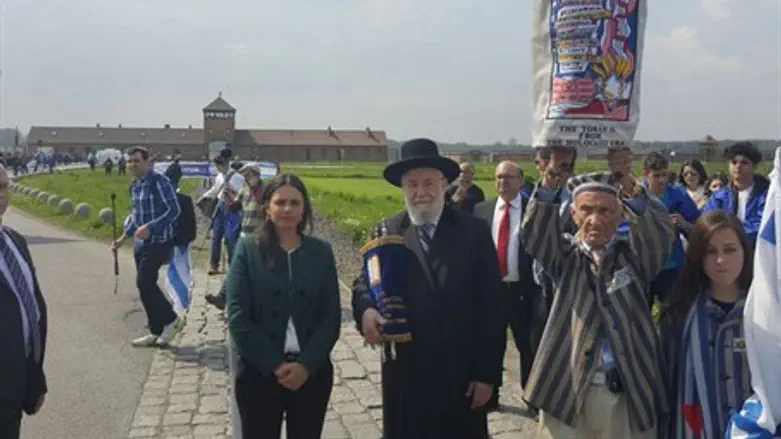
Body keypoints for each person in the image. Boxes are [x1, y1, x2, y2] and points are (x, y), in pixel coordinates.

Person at [351, 138, 504, 439]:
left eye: (429, 183)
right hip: (405, 373)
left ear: (445, 183)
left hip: (459, 372)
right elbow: (364, 283)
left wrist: (487, 376)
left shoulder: (472, 232)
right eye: (412, 185)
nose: (421, 192)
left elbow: (493, 307)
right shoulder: (388, 230)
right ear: (402, 188)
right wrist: (366, 311)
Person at [524, 152, 675, 439]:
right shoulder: (564, 257)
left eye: (606, 211)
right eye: (587, 210)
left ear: (621, 215)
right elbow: (535, 234)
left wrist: (630, 184)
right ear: (573, 214)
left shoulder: (632, 257)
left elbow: (660, 237)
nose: (595, 220)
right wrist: (552, 176)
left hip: (626, 387)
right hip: (569, 388)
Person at [226, 174, 341, 439]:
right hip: (259, 373)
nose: (287, 209)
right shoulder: (247, 250)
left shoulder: (321, 252)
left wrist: (306, 365)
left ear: (304, 209)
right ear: (268, 207)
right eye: (280, 202)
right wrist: (274, 365)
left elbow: (330, 317)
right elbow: (238, 316)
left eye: (294, 203)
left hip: (311, 374)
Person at [660, 211, 753, 439]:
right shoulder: (679, 315)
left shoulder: (765, 312)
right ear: (697, 257)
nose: (721, 260)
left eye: (730, 249)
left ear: (744, 251)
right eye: (710, 252)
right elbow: (666, 385)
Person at [473, 160, 541, 412]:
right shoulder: (481, 210)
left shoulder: (532, 211)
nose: (503, 182)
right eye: (499, 177)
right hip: (491, 291)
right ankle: (490, 395)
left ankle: (532, 397)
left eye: (509, 177)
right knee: (491, 343)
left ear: (521, 182)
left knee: (528, 345)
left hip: (522, 291)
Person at [112, 146, 185, 347]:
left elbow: (174, 210)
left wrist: (151, 227)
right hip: (140, 242)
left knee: (145, 281)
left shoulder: (159, 181)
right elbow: (136, 217)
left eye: (136, 161)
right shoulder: (136, 185)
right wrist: (122, 239)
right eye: (129, 161)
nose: (132, 165)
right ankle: (155, 330)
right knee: (143, 286)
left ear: (146, 162)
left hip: (159, 240)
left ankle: (172, 319)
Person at [0, 165, 48, 439]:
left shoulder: (15, 242)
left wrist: (34, 376)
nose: (1, 194)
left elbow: (31, 313)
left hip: (16, 381)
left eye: (4, 186)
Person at [643, 152, 700, 305]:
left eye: (664, 175)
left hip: (671, 267)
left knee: (672, 316)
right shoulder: (637, 195)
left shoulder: (677, 195)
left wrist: (683, 224)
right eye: (656, 176)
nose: (662, 180)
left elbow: (699, 226)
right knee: (639, 320)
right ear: (646, 174)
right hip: (643, 268)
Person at [206, 163, 264, 310]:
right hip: (244, 236)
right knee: (236, 267)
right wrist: (229, 197)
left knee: (252, 271)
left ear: (256, 175)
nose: (245, 178)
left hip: (260, 237)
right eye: (244, 175)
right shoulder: (244, 190)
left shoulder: (265, 191)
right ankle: (223, 298)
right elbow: (235, 207)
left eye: (248, 175)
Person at [703, 141, 768, 249]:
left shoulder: (766, 195)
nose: (738, 166)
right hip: (724, 252)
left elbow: (762, 226)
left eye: (744, 162)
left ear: (754, 166)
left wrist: (731, 237)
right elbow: (708, 223)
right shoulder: (719, 197)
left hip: (757, 252)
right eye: (734, 162)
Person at [199, 155, 245, 274]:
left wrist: (231, 194)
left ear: (225, 164)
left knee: (230, 238)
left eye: (219, 166)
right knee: (216, 236)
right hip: (220, 207)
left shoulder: (237, 177)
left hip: (231, 208)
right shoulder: (219, 176)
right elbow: (215, 189)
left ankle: (232, 265)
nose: (218, 168)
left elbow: (241, 193)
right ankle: (214, 264)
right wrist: (205, 196)